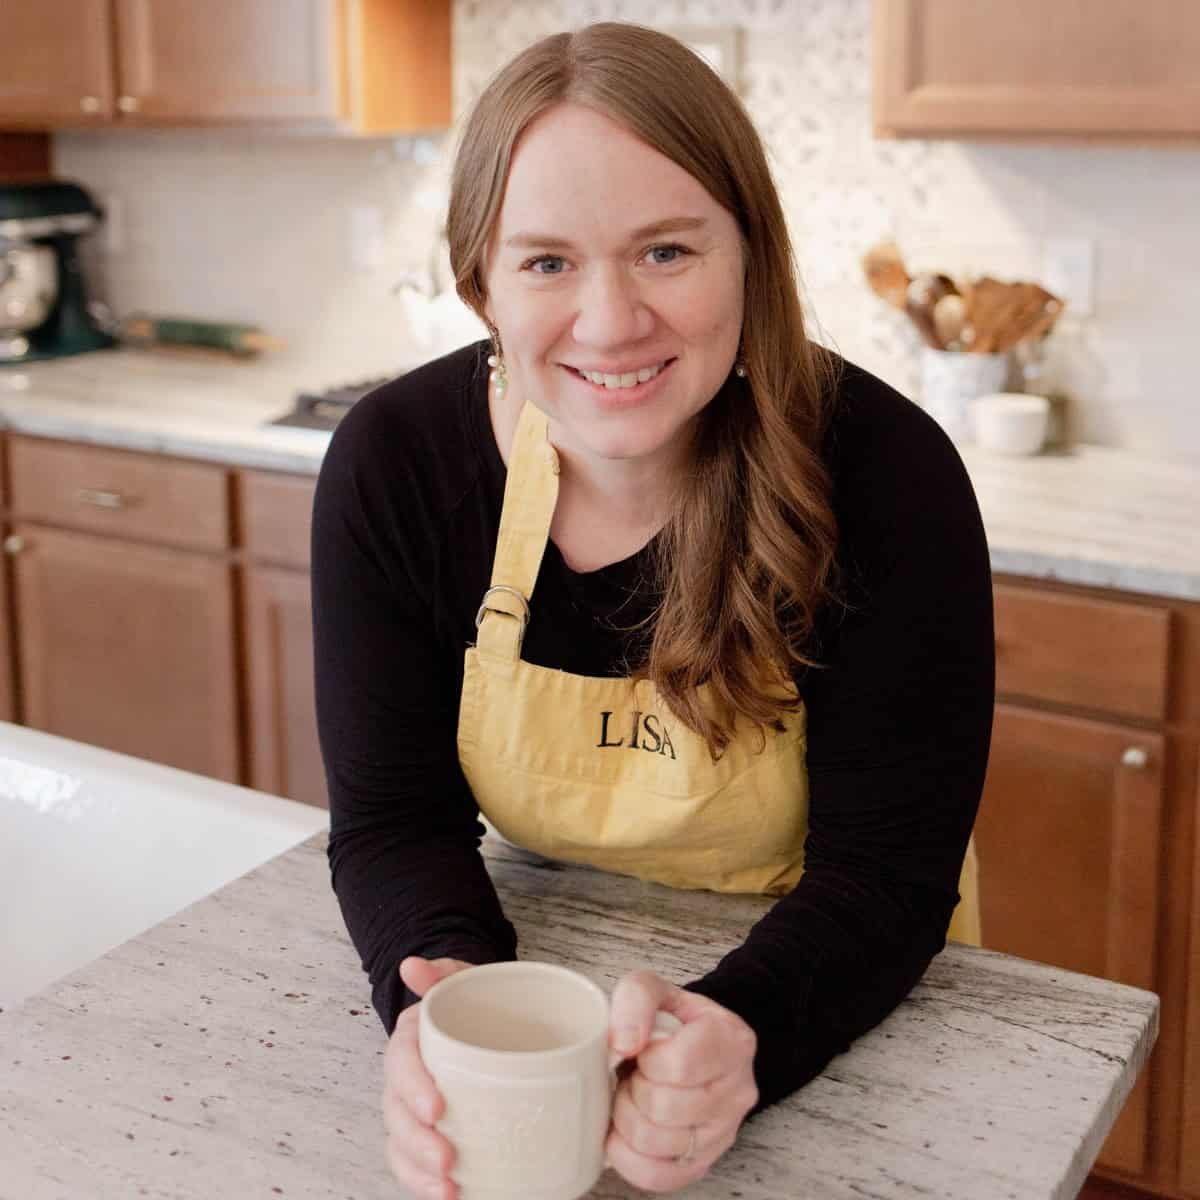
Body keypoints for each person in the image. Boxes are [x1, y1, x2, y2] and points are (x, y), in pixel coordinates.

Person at [312, 21, 993, 1200]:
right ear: (480, 283)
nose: (612, 321)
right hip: (555, 976)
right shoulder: (395, 465)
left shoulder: (888, 472)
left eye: (667, 251)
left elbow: (885, 877)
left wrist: (737, 1033)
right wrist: (455, 1011)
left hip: (845, 979)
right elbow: (393, 824)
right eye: (545, 263)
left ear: (750, 255)